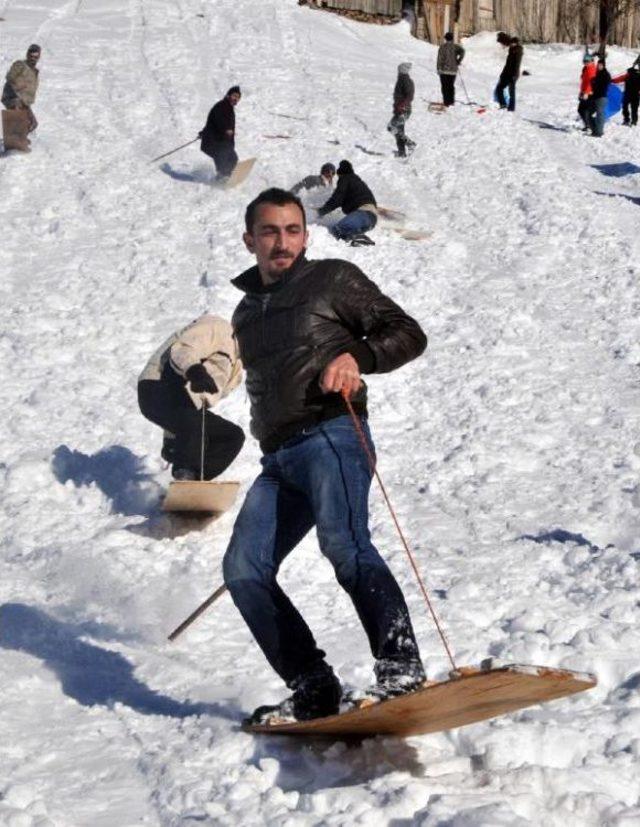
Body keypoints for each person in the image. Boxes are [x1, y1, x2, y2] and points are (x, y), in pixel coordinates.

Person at [223, 187, 428, 723]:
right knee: (244, 568)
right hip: (279, 459)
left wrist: (355, 354)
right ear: (250, 240)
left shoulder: (331, 279)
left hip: (333, 435)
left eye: (292, 230)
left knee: (345, 543)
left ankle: (401, 669)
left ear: (306, 235)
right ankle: (313, 686)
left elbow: (407, 333)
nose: (282, 242)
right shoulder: (245, 311)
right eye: (269, 232)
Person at [138, 314, 245, 480]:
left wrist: (174, 438)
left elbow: (188, 413)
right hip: (157, 385)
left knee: (231, 436)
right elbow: (183, 348)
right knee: (195, 425)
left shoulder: (236, 370)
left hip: (183, 403)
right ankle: (185, 476)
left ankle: (194, 484)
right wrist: (194, 371)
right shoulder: (219, 328)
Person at [316, 160, 377, 244]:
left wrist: (320, 212)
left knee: (339, 229)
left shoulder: (345, 179)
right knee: (345, 230)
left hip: (363, 214)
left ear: (340, 173)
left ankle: (360, 239)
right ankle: (355, 238)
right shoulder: (356, 182)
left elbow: (336, 200)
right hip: (370, 219)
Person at [199, 86, 241, 180]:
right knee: (223, 156)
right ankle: (223, 176)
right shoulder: (222, 106)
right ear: (228, 95)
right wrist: (226, 129)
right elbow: (218, 119)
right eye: (234, 96)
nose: (236, 99)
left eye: (238, 97)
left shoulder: (229, 109)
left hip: (221, 141)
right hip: (213, 141)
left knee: (232, 159)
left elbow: (213, 122)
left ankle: (222, 176)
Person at [2, 44, 41, 140]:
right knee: (17, 117)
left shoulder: (34, 71)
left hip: (23, 101)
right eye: (31, 55)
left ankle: (19, 140)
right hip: (13, 97)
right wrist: (19, 85)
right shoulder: (20, 64)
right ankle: (14, 138)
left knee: (33, 123)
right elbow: (10, 76)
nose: (33, 58)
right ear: (27, 54)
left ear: (39, 56)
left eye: (35, 56)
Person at [387, 62, 415, 157]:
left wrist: (402, 105)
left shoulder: (405, 80)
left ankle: (410, 143)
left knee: (391, 127)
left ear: (402, 70)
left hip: (404, 110)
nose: (398, 71)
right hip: (400, 110)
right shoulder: (402, 79)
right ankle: (402, 153)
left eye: (399, 69)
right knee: (398, 131)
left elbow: (409, 96)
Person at [437, 32, 465, 107]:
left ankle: (446, 102)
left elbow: (439, 59)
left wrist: (438, 68)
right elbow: (463, 51)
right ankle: (451, 101)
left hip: (444, 70)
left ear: (445, 38)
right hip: (453, 70)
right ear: (452, 38)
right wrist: (458, 60)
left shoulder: (442, 47)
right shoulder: (456, 47)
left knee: (444, 86)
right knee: (451, 86)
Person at [496, 36, 523, 112]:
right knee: (499, 88)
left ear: (516, 43)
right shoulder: (511, 50)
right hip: (507, 73)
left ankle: (511, 108)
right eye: (511, 43)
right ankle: (503, 104)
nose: (511, 44)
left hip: (513, 74)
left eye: (512, 43)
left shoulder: (518, 51)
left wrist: (514, 75)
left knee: (511, 91)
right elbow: (507, 64)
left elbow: (517, 64)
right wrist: (502, 74)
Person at [590, 57, 611, 137]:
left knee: (600, 114)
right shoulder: (596, 73)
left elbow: (604, 85)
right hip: (594, 97)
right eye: (598, 65)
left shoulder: (606, 74)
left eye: (601, 65)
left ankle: (599, 132)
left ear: (604, 66)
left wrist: (595, 83)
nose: (599, 66)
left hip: (601, 97)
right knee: (587, 113)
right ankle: (594, 129)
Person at [578, 53, 597, 131]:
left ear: (592, 61)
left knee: (586, 110)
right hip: (584, 92)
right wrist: (581, 92)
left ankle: (591, 126)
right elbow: (584, 81)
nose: (585, 62)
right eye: (584, 61)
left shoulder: (592, 69)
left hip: (590, 94)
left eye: (587, 61)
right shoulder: (586, 68)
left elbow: (591, 82)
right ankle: (588, 125)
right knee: (581, 110)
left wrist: (586, 92)